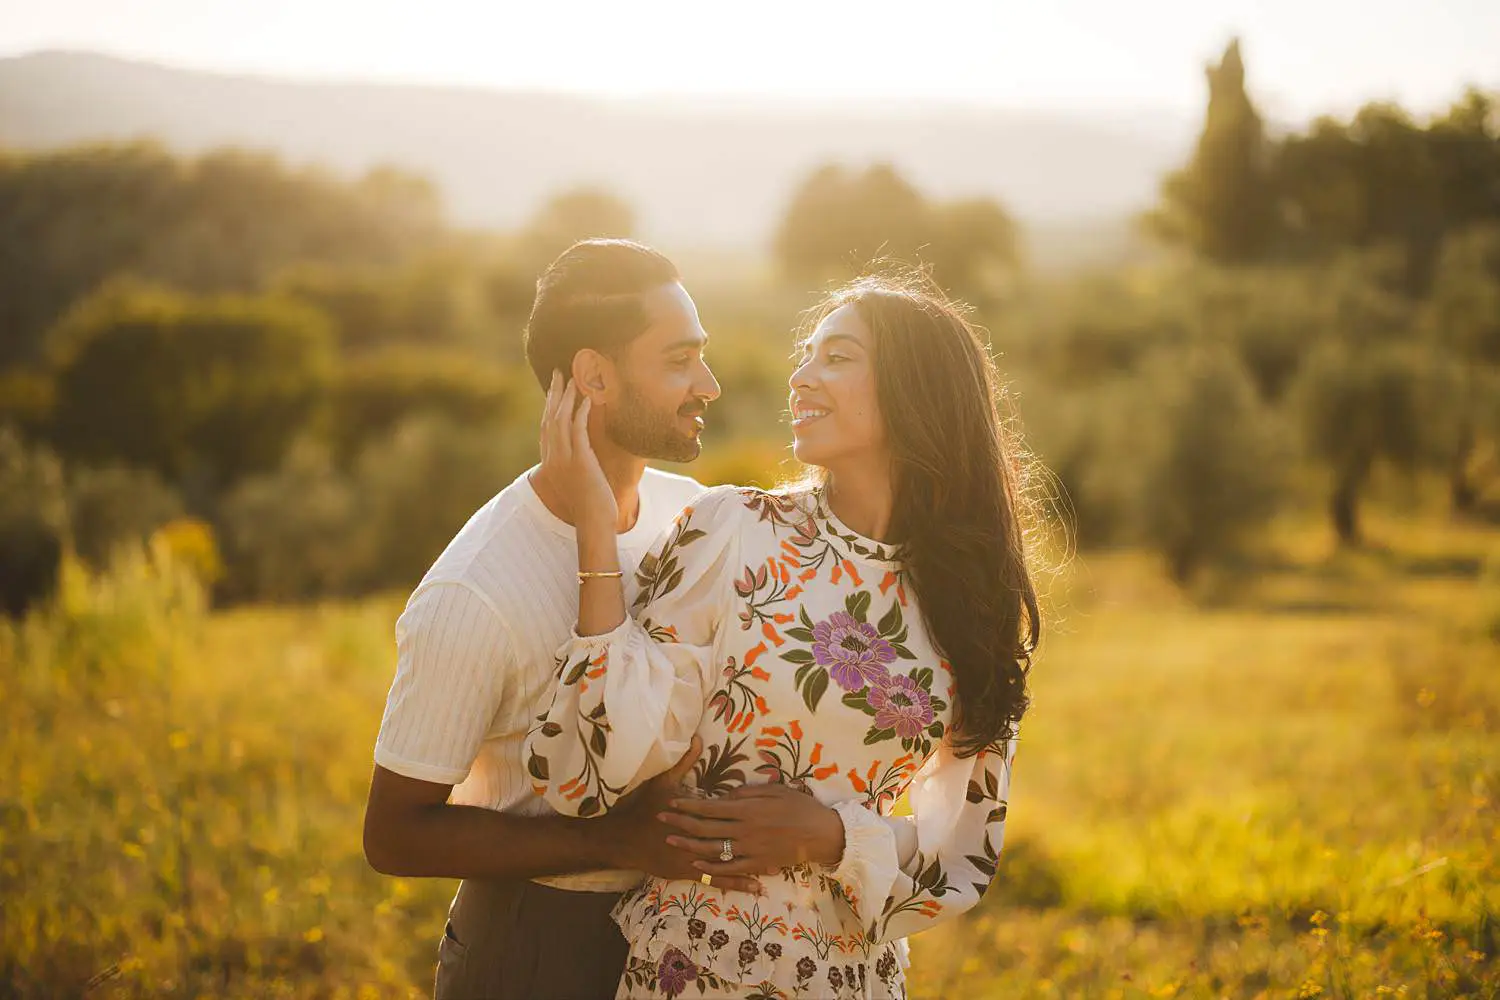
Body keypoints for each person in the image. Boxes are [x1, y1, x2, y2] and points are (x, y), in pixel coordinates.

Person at [527, 273, 1042, 999]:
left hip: (851, 980)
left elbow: (962, 850)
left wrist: (832, 837)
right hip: (697, 965)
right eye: (806, 354)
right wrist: (592, 532)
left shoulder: (969, 598)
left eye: (836, 356)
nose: (800, 377)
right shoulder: (733, 532)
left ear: (915, 387)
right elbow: (589, 770)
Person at [362, 239, 846, 1000]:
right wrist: (606, 840)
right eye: (681, 360)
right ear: (595, 377)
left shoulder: (688, 514)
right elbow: (393, 835)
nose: (709, 385)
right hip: (538, 943)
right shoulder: (474, 590)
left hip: (690, 936)